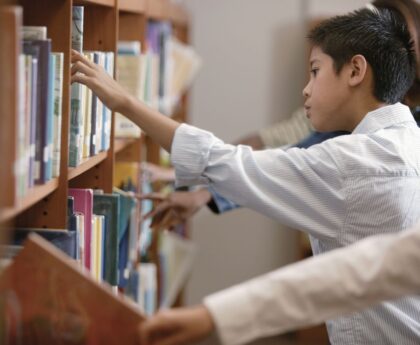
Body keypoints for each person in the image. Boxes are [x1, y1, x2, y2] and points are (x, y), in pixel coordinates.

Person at [71, 6, 419, 345]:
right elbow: (275, 160)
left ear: (356, 70)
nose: (306, 89)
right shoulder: (404, 141)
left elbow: (231, 162)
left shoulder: (354, 163)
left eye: (315, 71)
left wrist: (126, 104)